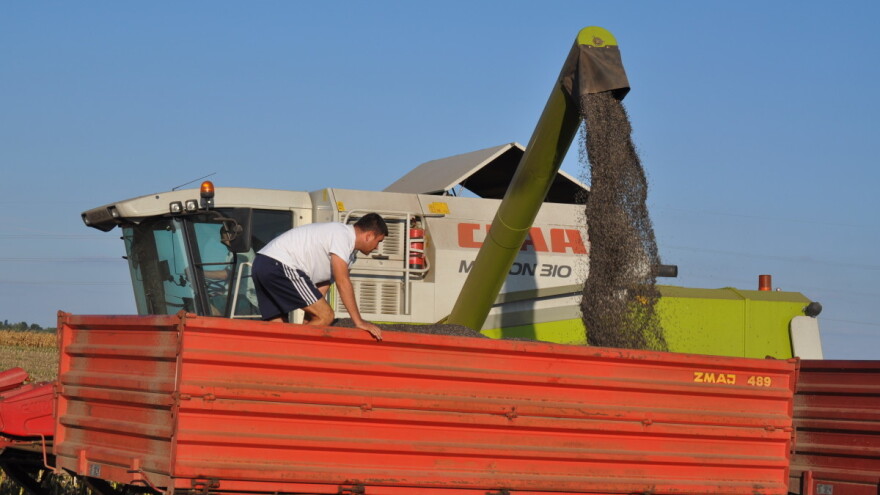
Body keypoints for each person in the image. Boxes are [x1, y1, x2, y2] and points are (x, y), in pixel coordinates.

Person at [252, 213, 388, 341]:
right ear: (369, 236)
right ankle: (295, 352)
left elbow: (320, 289)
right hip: (279, 264)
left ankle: (279, 360)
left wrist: (310, 321)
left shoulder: (351, 255)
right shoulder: (343, 235)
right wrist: (359, 321)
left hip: (261, 263)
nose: (376, 248)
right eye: (378, 241)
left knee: (278, 325)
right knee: (327, 315)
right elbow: (343, 281)